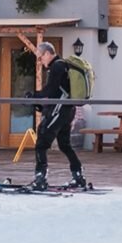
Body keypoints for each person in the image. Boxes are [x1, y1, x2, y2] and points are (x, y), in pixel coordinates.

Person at [31, 40, 88, 190]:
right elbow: (57, 91)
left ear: (48, 53)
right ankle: (78, 176)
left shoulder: (57, 66)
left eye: (40, 56)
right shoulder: (63, 65)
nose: (40, 60)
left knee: (41, 142)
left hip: (60, 109)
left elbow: (51, 91)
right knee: (64, 145)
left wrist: (33, 96)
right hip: (67, 110)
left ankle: (40, 177)